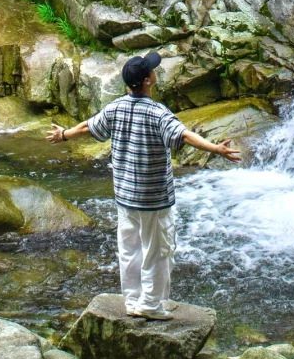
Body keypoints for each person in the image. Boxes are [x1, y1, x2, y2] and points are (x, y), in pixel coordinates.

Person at [46, 50, 240, 319]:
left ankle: (132, 300)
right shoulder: (157, 113)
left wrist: (64, 134)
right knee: (157, 251)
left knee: (129, 250)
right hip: (153, 200)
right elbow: (183, 136)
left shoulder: (115, 108)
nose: (155, 71)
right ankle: (150, 305)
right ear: (147, 81)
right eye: (152, 70)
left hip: (125, 198)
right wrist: (215, 149)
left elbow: (89, 127)